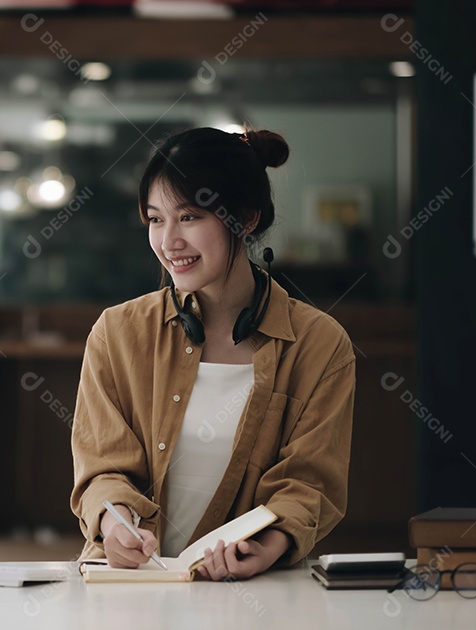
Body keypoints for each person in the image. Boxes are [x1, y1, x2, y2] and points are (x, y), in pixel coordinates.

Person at [69, 126, 355, 581]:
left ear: (244, 218)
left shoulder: (320, 345)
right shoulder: (117, 334)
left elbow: (308, 485)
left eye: (189, 217)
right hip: (131, 590)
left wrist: (268, 546)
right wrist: (114, 522)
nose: (168, 243)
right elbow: (101, 469)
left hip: (256, 595)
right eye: (156, 219)